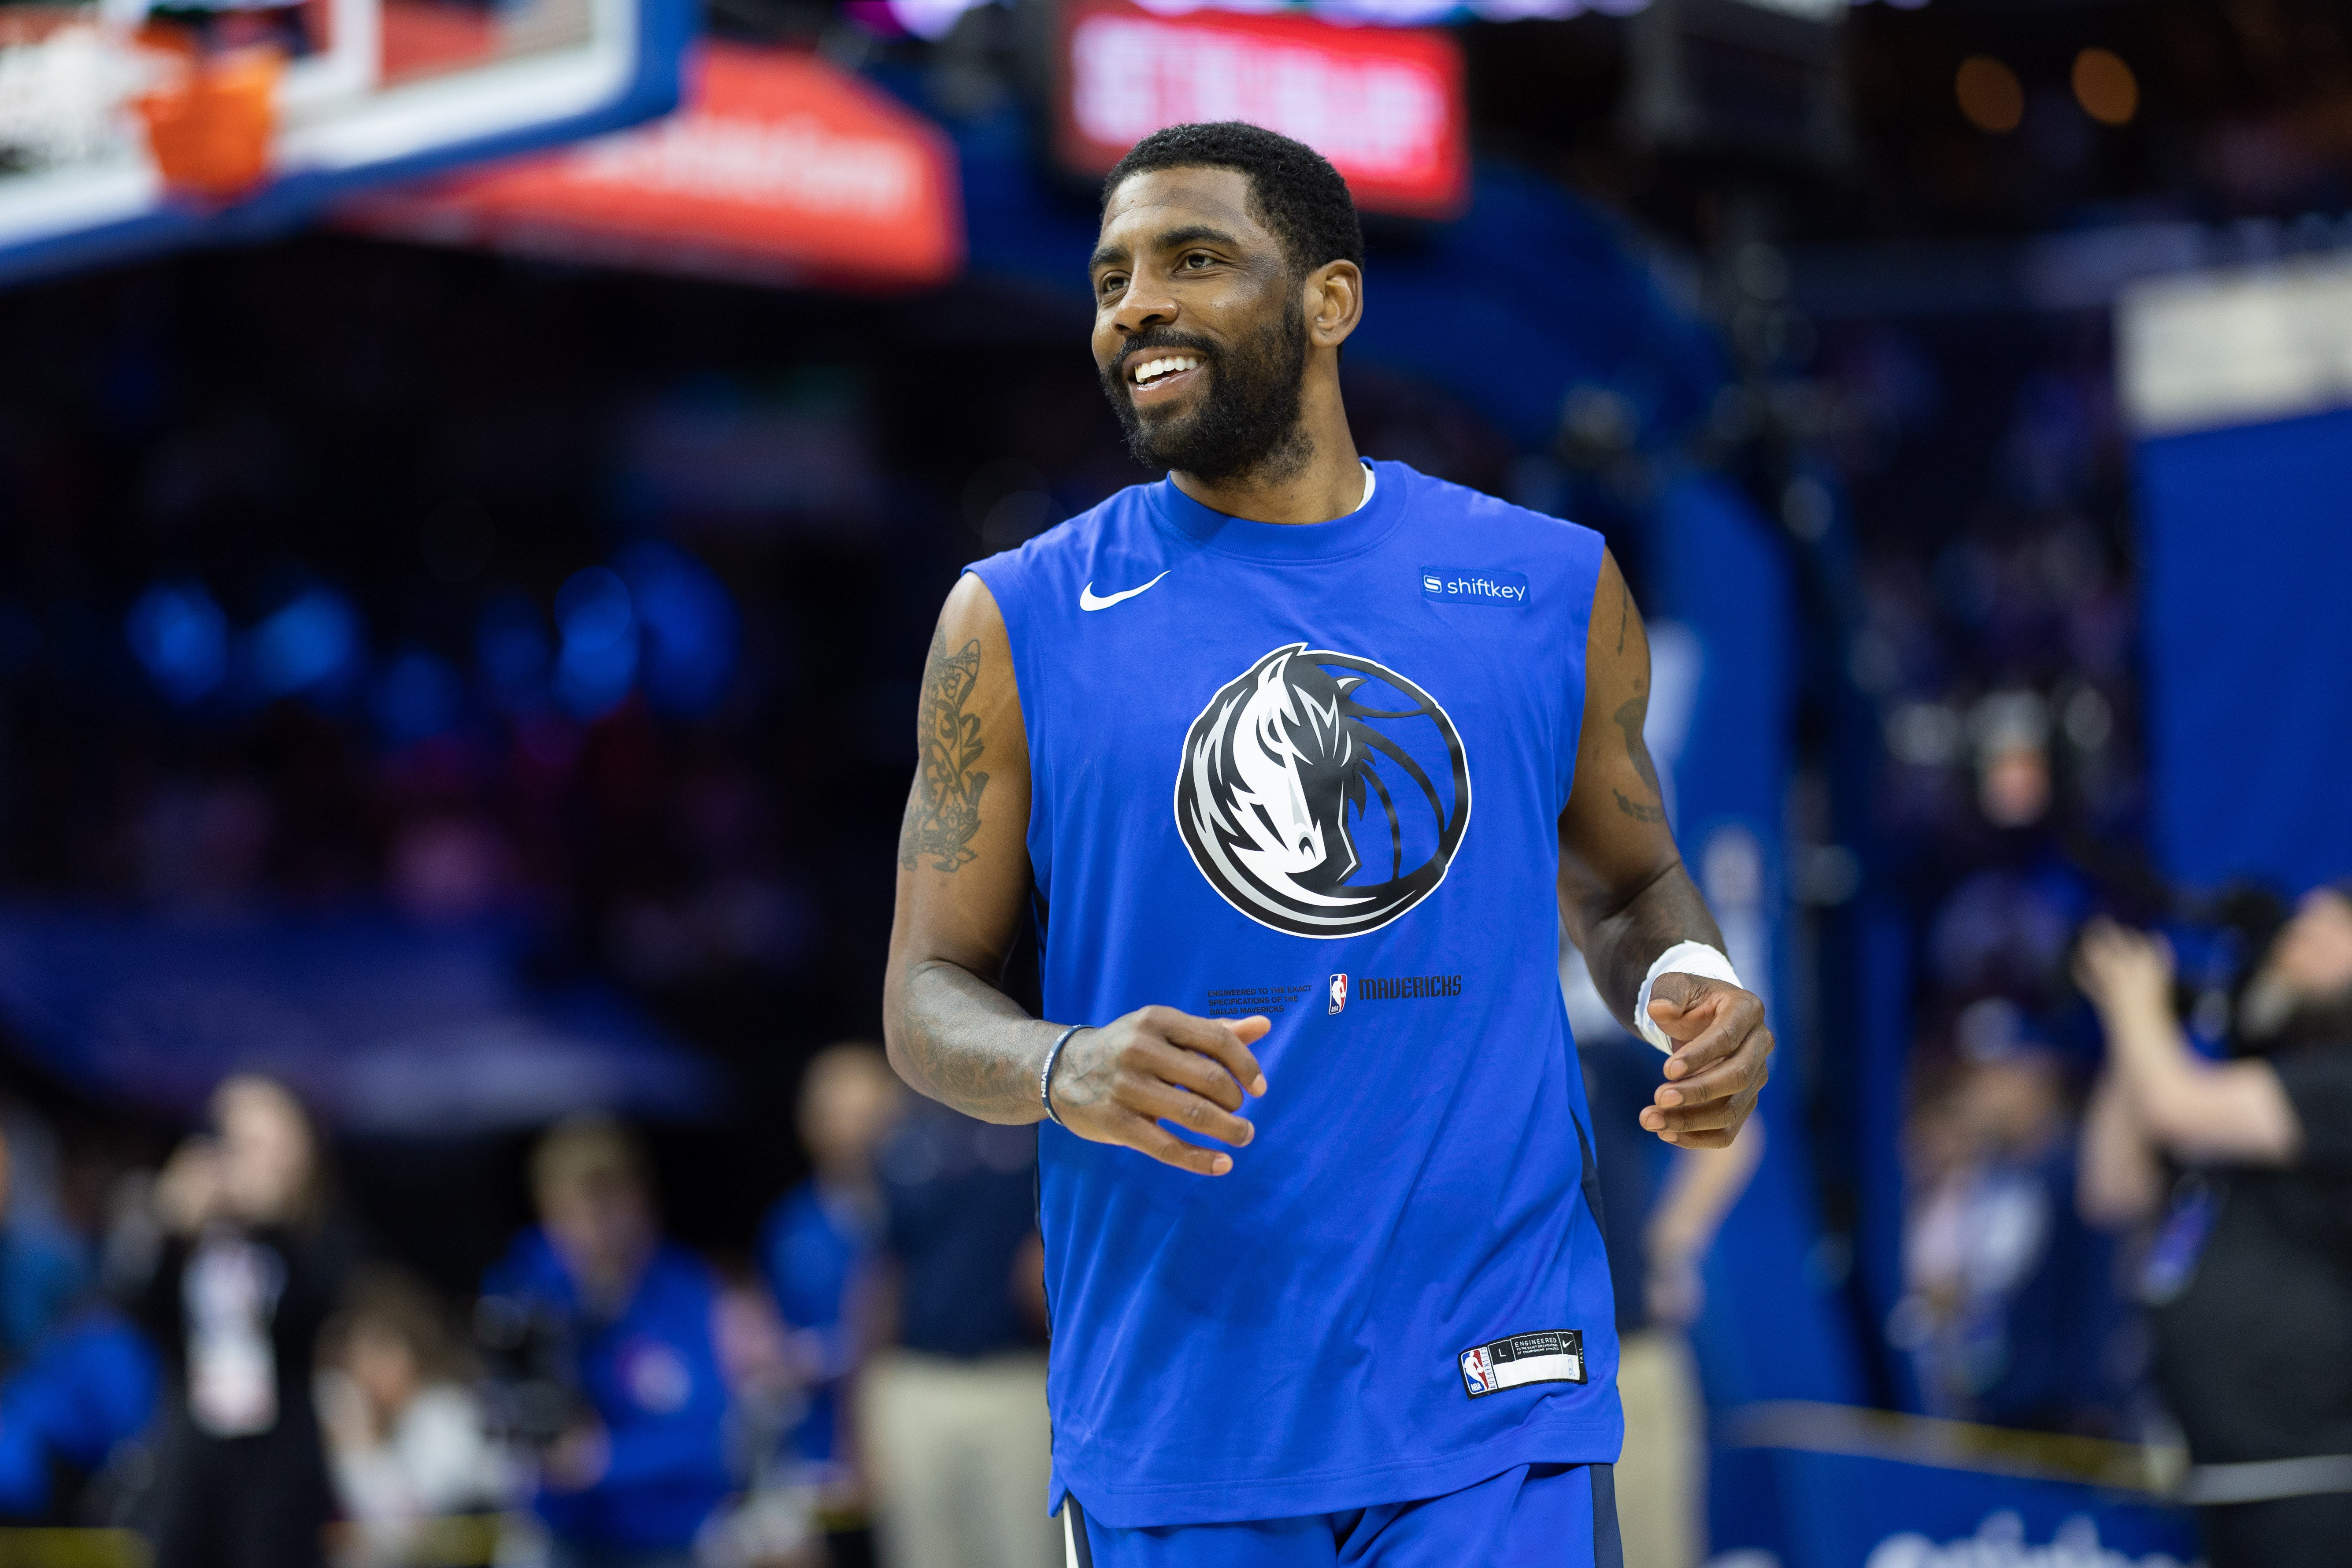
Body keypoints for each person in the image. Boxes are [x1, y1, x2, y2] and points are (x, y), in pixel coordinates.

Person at [882, 122, 1773, 1568]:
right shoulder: (1013, 619)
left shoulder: (1542, 586)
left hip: (1493, 1392)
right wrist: (1062, 1062)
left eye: (1191, 259)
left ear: (1328, 300)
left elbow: (1625, 879)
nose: (1134, 306)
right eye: (1110, 277)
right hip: (1182, 1419)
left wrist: (1682, 974)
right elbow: (922, 995)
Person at [2076, 886, 2352, 1568]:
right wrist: (2136, 1031)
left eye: (2326, 933)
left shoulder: (2337, 1085)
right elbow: (2111, 1188)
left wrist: (2135, 1004)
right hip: (2215, 1485)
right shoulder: (2252, 1078)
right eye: (2296, 928)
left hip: (2317, 1487)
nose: (2294, 943)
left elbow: (2175, 1106)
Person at [482, 1115, 733, 1568]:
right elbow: (505, 1401)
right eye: (567, 1213)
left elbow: (707, 1434)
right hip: (563, 1532)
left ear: (639, 1201)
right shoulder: (525, 1282)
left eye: (603, 1206)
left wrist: (605, 1461)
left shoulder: (683, 1289)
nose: (587, 1229)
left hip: (664, 1536)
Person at [138, 1074, 362, 1568]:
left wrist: (274, 1222)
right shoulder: (201, 1239)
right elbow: (144, 1317)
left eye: (262, 1144)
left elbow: (317, 1311)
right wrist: (171, 1231)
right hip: (194, 1458)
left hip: (278, 1465)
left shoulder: (318, 1235)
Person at [859, 1100, 1055, 1568]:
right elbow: (882, 1270)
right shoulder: (899, 1139)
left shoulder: (1042, 1125)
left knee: (1028, 1552)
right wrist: (861, 1403)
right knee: (922, 1554)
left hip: (1018, 1375)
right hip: (916, 1377)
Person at [755, 1044, 903, 1509]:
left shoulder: (927, 1217)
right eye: (837, 1114)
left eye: (868, 1113)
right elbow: (773, 1342)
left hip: (913, 1443)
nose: (854, 1132)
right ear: (809, 1124)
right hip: (821, 1463)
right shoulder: (788, 1229)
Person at [316, 1266, 511, 1568]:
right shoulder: (384, 1421)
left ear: (415, 1346)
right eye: (361, 1355)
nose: (369, 1369)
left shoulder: (447, 1416)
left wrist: (360, 1447)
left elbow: (411, 1534)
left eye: (383, 1350)